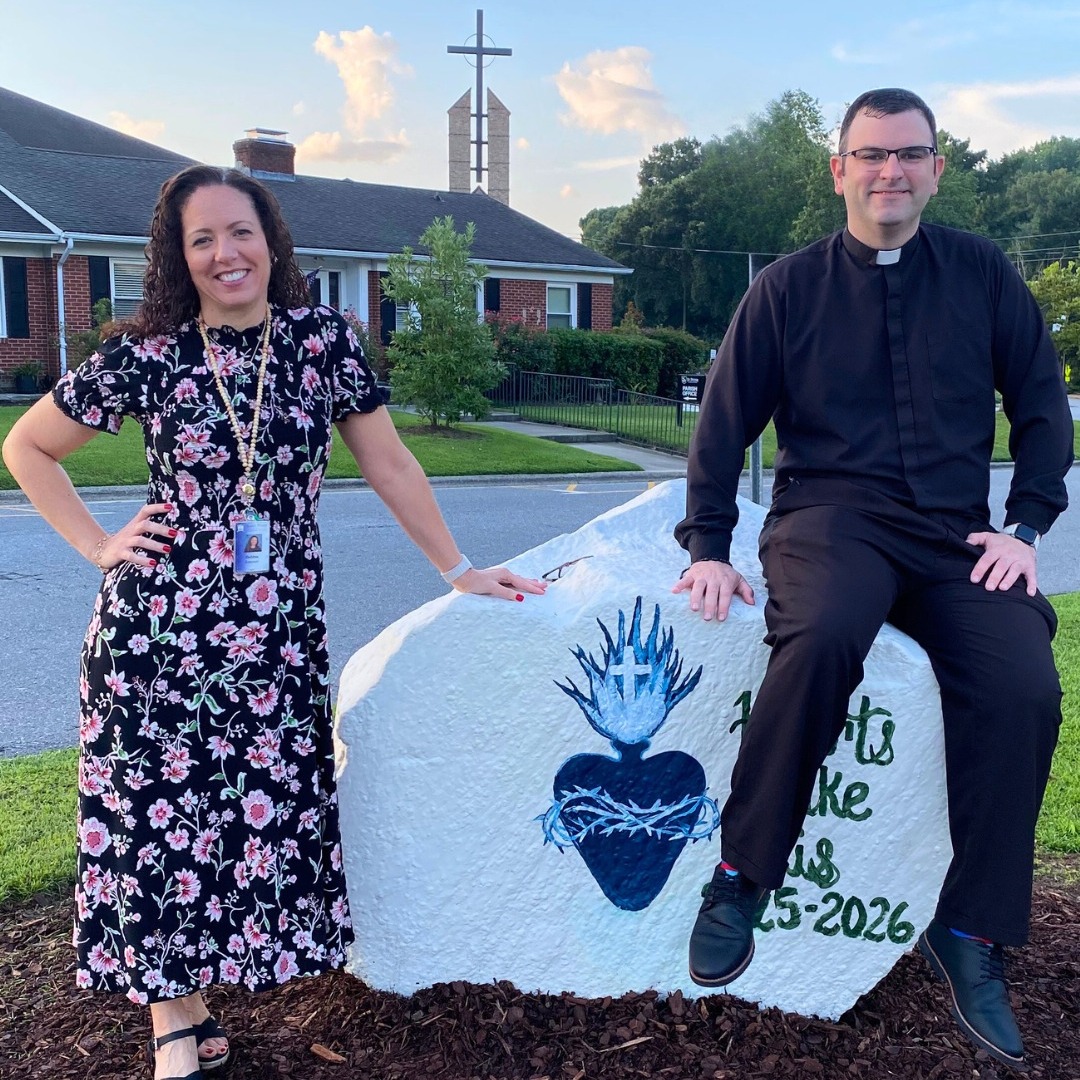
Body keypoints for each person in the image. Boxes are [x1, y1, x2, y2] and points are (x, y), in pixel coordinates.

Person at [1, 164, 546, 1080]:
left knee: (251, 814)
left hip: (276, 631)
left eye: (239, 232)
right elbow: (27, 445)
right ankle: (175, 1015)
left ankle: (217, 984)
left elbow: (391, 463)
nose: (225, 253)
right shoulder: (147, 353)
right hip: (159, 633)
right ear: (180, 258)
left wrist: (457, 569)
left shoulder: (322, 341)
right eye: (202, 239)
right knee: (157, 814)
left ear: (271, 240)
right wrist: (99, 544)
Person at [672, 88, 1072, 1071]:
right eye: (872, 154)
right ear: (839, 169)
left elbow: (1041, 405)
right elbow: (722, 427)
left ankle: (970, 931)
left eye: (911, 154)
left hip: (953, 537)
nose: (891, 171)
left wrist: (1024, 526)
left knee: (1024, 685)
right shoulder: (787, 290)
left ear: (937, 168)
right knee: (823, 638)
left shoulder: (981, 275)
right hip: (830, 521)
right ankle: (742, 875)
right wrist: (709, 546)